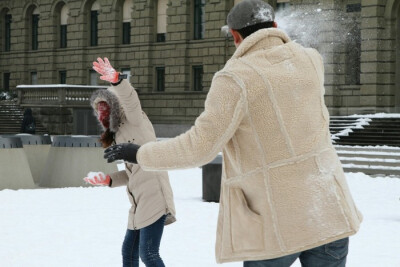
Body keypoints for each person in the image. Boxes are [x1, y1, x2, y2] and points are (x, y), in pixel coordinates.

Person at [103, 0, 363, 266]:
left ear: (235, 37)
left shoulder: (235, 78)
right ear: (274, 26)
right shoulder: (311, 59)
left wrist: (140, 153)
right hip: (328, 210)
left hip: (274, 223)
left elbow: (199, 147)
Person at [84, 57, 176, 267]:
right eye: (98, 109)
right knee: (129, 253)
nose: (101, 113)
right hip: (137, 203)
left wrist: (117, 80)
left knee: (148, 254)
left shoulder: (135, 120)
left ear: (115, 107)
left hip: (154, 196)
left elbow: (131, 99)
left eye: (105, 107)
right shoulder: (116, 135)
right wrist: (108, 179)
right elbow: (131, 173)